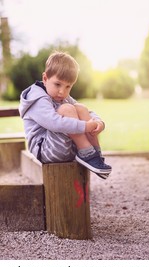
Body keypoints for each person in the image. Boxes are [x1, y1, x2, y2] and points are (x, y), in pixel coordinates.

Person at [19, 51, 112, 179]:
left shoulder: (61, 95)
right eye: (57, 84)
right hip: (47, 150)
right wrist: (85, 126)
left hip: (65, 147)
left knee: (80, 107)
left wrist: (98, 122)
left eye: (68, 86)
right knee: (67, 109)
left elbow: (86, 112)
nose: (62, 91)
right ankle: (87, 153)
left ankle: (94, 154)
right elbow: (54, 123)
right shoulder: (37, 99)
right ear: (45, 79)